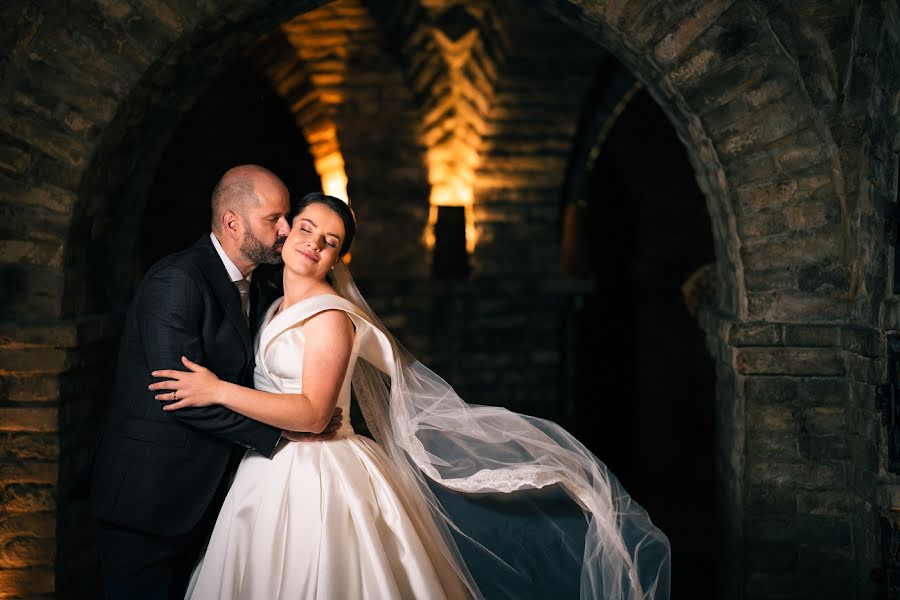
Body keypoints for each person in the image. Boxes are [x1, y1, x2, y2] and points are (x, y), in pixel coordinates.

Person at [151, 192, 672, 600]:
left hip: (320, 474)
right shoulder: (272, 307)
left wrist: (217, 391)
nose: (313, 243)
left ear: (338, 257)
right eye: (307, 228)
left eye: (329, 241)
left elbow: (312, 414)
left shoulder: (331, 318)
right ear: (286, 233)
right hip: (266, 471)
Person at [88, 166, 342, 600]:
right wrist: (286, 432)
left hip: (214, 500)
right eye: (273, 220)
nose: (286, 230)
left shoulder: (263, 290)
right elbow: (183, 396)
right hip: (151, 501)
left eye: (287, 218)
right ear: (231, 223)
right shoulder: (178, 281)